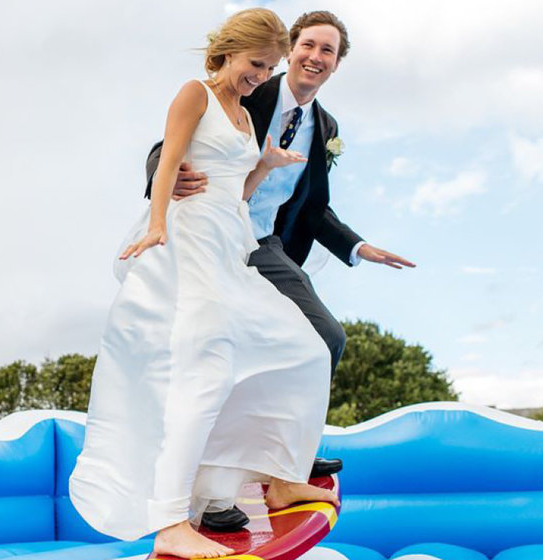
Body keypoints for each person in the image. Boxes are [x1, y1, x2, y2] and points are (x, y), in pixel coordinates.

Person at [69, 9, 339, 559]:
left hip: (229, 246)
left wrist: (263, 168)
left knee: (304, 350)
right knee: (206, 371)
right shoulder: (196, 93)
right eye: (256, 64)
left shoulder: (244, 113)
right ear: (228, 53)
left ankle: (281, 475)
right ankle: (171, 521)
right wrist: (159, 226)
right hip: (186, 244)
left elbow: (234, 192)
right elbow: (167, 163)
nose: (262, 75)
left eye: (269, 67)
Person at [144, 10, 415, 532]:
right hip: (211, 229)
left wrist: (359, 247)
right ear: (290, 52)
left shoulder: (324, 127)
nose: (315, 57)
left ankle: (283, 461)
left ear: (337, 65)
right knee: (223, 352)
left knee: (324, 338)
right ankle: (226, 483)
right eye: (308, 45)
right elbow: (171, 142)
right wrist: (166, 177)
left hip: (264, 243)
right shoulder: (255, 88)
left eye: (328, 51)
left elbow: (314, 210)